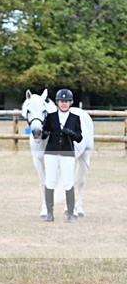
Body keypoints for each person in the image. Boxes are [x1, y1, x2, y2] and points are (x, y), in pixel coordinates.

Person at [41, 89, 83, 222]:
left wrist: (71, 133)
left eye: (66, 101)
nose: (64, 104)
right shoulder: (51, 116)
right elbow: (43, 134)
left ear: (70, 103)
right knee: (50, 181)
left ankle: (70, 213)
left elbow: (79, 137)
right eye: (61, 101)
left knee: (68, 182)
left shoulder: (75, 118)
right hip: (51, 152)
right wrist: (45, 131)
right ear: (58, 102)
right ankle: (49, 213)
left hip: (67, 152)